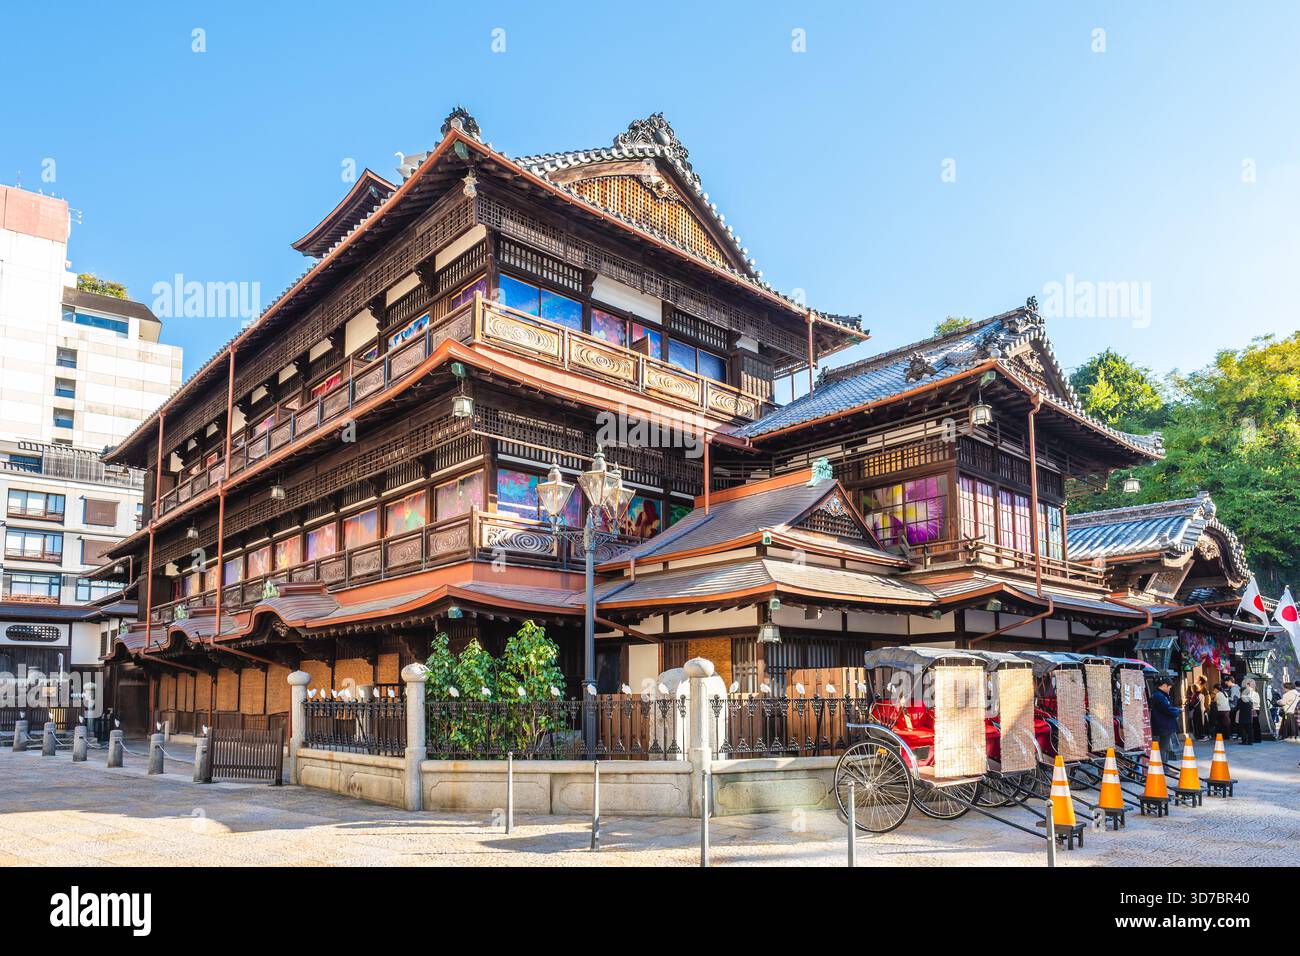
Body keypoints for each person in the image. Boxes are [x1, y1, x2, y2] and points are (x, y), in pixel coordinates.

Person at [1150, 676, 1183, 757]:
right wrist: (1178, 710)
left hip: (1163, 726)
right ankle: (1163, 767)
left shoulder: (1158, 695)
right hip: (1163, 726)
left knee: (1164, 748)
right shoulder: (1159, 696)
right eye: (1169, 687)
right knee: (1164, 748)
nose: (1169, 689)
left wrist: (1176, 710)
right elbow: (1167, 709)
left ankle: (1164, 766)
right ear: (1164, 685)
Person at [1238, 679, 1261, 745]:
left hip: (1253, 709)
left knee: (1253, 725)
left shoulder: (1251, 692)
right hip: (1254, 709)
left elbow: (1251, 701)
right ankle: (1253, 739)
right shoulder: (1254, 692)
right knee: (1253, 725)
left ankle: (1254, 739)